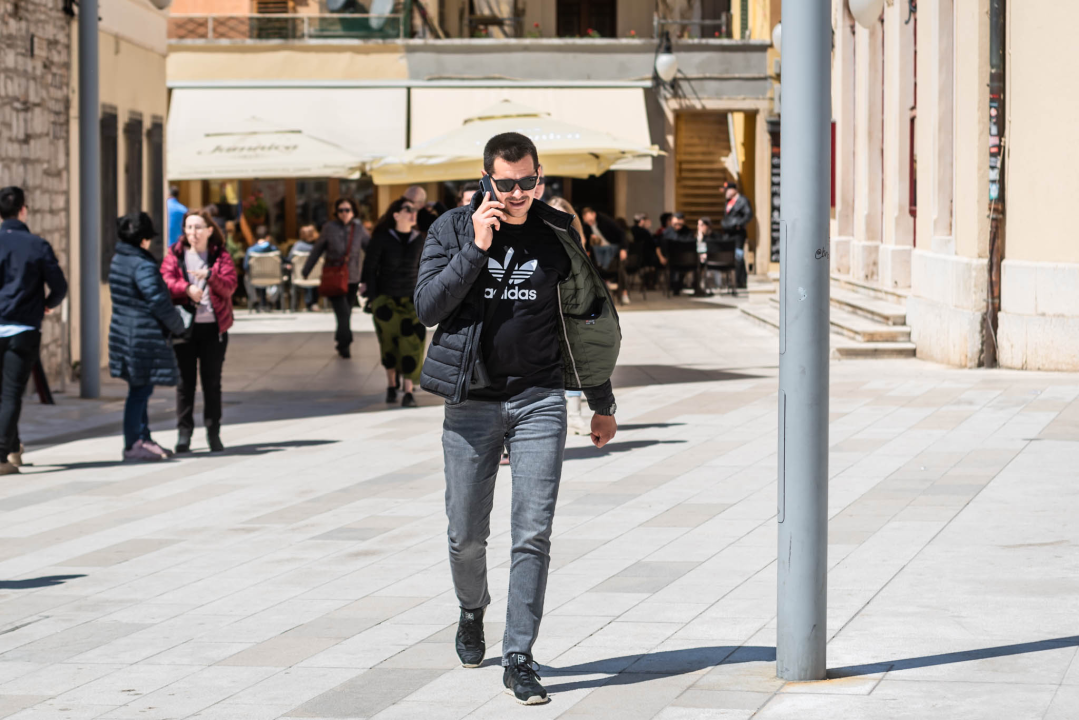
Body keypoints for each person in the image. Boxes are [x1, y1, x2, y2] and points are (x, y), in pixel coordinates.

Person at [415, 132, 620, 705]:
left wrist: (601, 402)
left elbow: (582, 321)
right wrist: (477, 248)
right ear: (487, 181)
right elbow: (428, 306)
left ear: (540, 178)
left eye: (527, 182)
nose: (516, 193)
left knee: (532, 533)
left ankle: (520, 655)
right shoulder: (452, 229)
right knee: (464, 536)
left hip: (539, 399)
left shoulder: (557, 233)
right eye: (504, 184)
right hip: (471, 402)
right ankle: (470, 608)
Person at [0, 187, 68, 474]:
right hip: (23, 328)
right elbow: (60, 286)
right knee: (12, 393)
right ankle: (4, 454)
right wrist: (46, 305)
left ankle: (12, 448)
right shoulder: (37, 245)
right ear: (24, 210)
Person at [107, 211, 183, 462]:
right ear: (143, 238)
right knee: (139, 392)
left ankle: (143, 437)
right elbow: (158, 300)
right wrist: (178, 324)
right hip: (140, 336)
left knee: (139, 388)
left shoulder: (120, 258)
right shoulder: (142, 264)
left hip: (124, 332)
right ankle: (133, 443)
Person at [162, 209, 238, 453]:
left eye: (197, 227)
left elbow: (229, 287)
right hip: (184, 329)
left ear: (208, 230)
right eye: (189, 227)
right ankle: (184, 434)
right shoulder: (175, 254)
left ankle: (213, 433)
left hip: (214, 330)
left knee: (212, 383)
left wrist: (210, 277)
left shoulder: (220, 256)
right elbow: (165, 281)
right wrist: (186, 288)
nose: (193, 232)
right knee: (185, 384)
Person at [364, 197, 424, 408]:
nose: (412, 212)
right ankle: (391, 385)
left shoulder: (421, 239)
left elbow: (427, 270)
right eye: (407, 209)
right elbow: (369, 269)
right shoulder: (381, 238)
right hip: (386, 300)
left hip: (412, 301)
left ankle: (408, 391)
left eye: (414, 209)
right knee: (389, 344)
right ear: (396, 215)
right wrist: (372, 298)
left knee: (413, 344)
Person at [304, 198, 368, 357]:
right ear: (336, 212)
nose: (344, 213)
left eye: (347, 210)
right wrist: (307, 269)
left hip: (352, 277)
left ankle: (341, 341)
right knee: (343, 313)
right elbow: (317, 249)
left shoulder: (359, 229)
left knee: (346, 313)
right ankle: (345, 343)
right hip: (333, 277)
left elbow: (371, 249)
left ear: (353, 211)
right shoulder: (328, 228)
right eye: (341, 210)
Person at [581, 207, 630, 306]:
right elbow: (587, 241)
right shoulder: (588, 226)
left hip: (614, 247)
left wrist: (623, 249)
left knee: (620, 266)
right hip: (601, 250)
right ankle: (603, 281)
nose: (589, 223)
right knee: (591, 259)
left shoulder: (605, 220)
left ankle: (624, 293)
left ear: (594, 214)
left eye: (590, 220)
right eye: (587, 222)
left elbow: (621, 233)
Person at [720, 181, 753, 288]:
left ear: (734, 190)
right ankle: (737, 280)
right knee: (730, 255)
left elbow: (749, 214)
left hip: (738, 234)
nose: (726, 192)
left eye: (728, 190)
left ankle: (740, 281)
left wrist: (739, 224)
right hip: (728, 233)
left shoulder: (742, 201)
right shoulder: (728, 201)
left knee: (738, 256)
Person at [244, 227, 280, 312]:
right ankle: (271, 302)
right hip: (272, 279)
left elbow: (245, 266)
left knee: (246, 278)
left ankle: (255, 302)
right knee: (280, 277)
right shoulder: (274, 249)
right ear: (268, 237)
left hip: (256, 279)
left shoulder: (250, 250)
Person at [661, 212, 695, 294]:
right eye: (676, 224)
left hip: (685, 259)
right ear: (672, 222)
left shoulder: (687, 231)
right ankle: (674, 286)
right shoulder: (667, 232)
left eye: (680, 224)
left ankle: (681, 285)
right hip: (671, 259)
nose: (678, 226)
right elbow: (662, 246)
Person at [288, 224, 320, 311]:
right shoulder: (318, 246)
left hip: (300, 276)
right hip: (317, 277)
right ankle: (314, 303)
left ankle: (300, 304)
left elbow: (289, 259)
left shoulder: (298, 246)